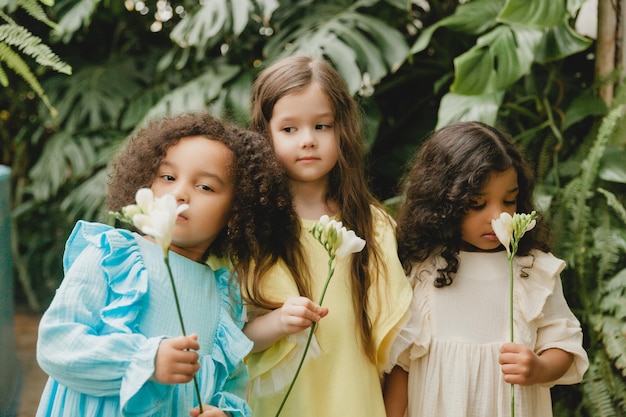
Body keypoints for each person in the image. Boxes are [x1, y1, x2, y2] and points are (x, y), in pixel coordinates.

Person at [36, 112, 296, 417]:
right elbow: (56, 343)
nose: (180, 193)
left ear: (237, 212)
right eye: (168, 177)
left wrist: (224, 413)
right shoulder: (112, 256)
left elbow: (231, 384)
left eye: (205, 187)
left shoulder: (223, 299)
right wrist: (145, 360)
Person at [241, 55, 413, 417]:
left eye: (322, 126)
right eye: (289, 129)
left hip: (354, 399)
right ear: (265, 134)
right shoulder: (252, 228)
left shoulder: (372, 224)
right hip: (280, 403)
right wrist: (278, 323)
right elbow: (231, 339)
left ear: (342, 131)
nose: (308, 140)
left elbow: (399, 345)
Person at [384, 121, 589, 417]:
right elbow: (403, 366)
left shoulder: (532, 270)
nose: (497, 215)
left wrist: (539, 368)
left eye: (509, 200)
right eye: (477, 203)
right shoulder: (422, 269)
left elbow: (564, 344)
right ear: (443, 202)